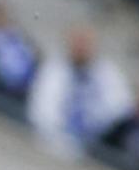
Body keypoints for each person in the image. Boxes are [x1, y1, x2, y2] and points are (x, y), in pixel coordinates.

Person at [28, 25, 133, 157]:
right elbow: (43, 111)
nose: (81, 48)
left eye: (86, 43)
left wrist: (95, 129)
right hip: (57, 146)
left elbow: (120, 108)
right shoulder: (53, 69)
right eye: (77, 42)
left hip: (98, 145)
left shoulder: (108, 73)